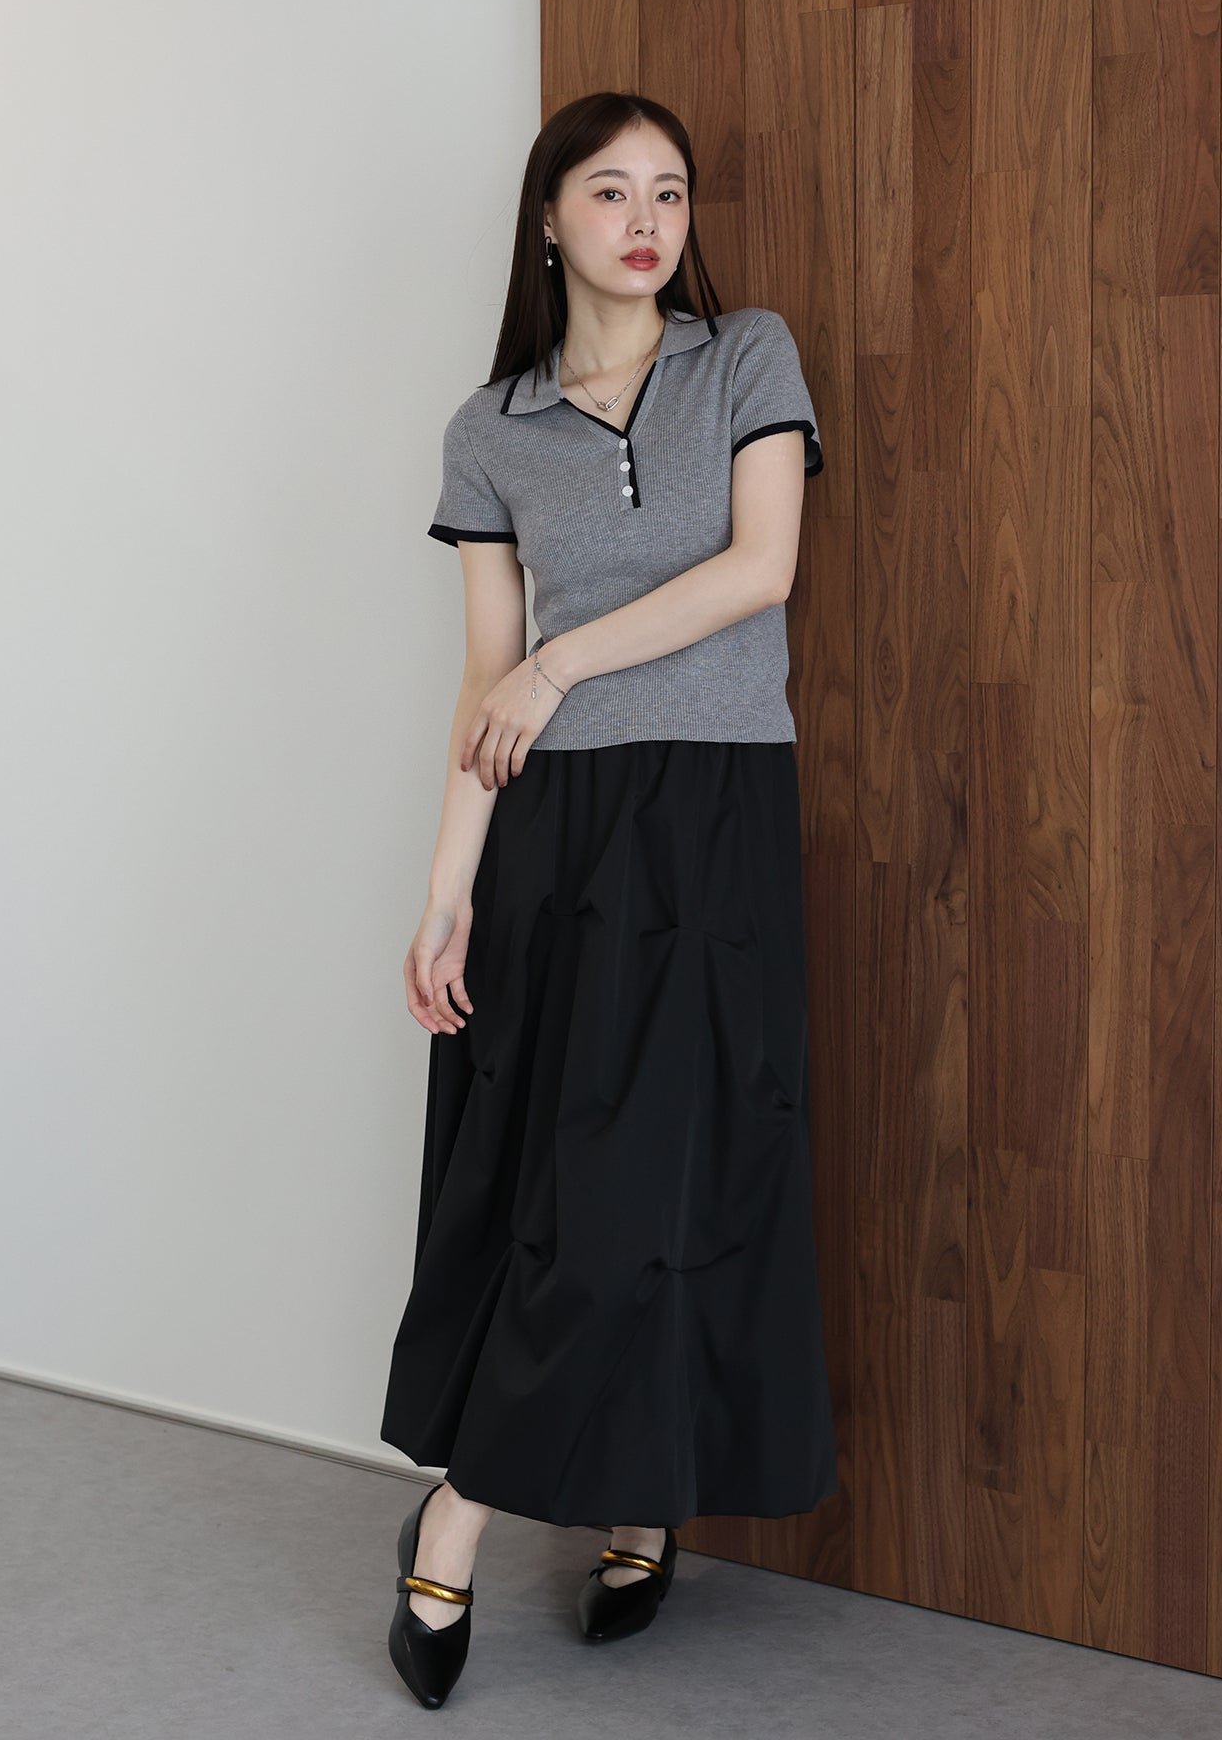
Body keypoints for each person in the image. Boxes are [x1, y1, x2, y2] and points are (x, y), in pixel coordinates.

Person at [381, 89, 837, 1710]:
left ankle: (517, 1511)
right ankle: (555, 1508)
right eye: (609, 190)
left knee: (684, 1172)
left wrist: (566, 660)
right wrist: (446, 894)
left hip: (714, 819)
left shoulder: (747, 358)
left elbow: (761, 568)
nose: (647, 221)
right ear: (550, 217)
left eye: (670, 192)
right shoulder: (492, 428)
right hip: (559, 838)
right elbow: (485, 686)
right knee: (565, 1184)